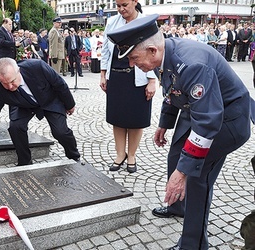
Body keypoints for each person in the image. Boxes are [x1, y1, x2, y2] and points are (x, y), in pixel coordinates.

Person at [107, 14, 255, 249]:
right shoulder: (162, 56)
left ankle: (193, 244)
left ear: (152, 50)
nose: (132, 65)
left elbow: (207, 123)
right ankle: (177, 205)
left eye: (134, 58)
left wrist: (184, 173)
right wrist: (165, 123)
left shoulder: (192, 64)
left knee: (196, 175)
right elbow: (173, 89)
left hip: (228, 120)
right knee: (177, 154)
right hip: (203, 111)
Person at [0, 58, 80, 167]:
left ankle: (74, 156)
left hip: (49, 100)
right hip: (22, 104)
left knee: (60, 131)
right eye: (5, 83)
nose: (9, 86)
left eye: (12, 81)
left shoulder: (37, 67)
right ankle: (24, 163)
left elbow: (60, 84)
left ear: (18, 71)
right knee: (15, 127)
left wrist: (70, 105)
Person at [99, 0, 157, 173]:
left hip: (138, 76)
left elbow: (155, 52)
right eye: (118, 6)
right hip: (116, 76)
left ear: (135, 2)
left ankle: (131, 155)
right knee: (117, 118)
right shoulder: (112, 22)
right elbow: (106, 51)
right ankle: (120, 154)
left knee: (135, 119)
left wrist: (152, 80)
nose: (121, 9)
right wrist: (103, 74)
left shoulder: (147, 22)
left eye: (124, 4)